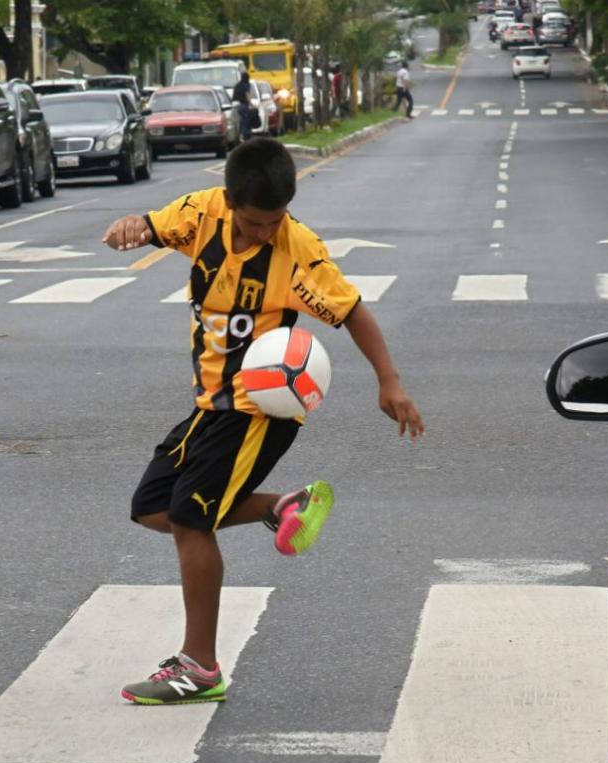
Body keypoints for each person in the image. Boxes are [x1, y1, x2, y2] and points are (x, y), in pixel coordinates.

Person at [100, 138, 425, 705]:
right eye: (253, 223)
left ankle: (198, 666)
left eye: (274, 221)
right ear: (230, 202)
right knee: (152, 507)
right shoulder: (201, 214)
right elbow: (149, 226)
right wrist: (130, 226)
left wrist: (389, 381)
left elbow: (352, 312)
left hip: (261, 406)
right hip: (210, 404)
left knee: (191, 520)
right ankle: (280, 507)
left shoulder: (298, 250)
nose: (264, 233)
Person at [232, 71, 253, 140]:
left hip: (235, 105)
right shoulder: (246, 84)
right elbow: (247, 94)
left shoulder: (237, 85)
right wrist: (250, 104)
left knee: (239, 121)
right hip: (243, 105)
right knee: (245, 120)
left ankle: (240, 135)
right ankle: (246, 135)